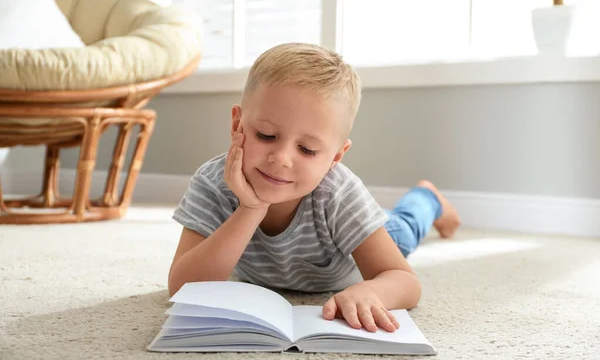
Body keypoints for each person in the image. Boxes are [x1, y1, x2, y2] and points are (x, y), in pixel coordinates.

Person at [167, 43, 461, 334]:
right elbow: (183, 288)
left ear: (335, 157)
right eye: (266, 135)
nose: (281, 159)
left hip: (356, 237)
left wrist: (371, 293)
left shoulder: (339, 193)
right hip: (330, 230)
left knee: (404, 227)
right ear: (237, 124)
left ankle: (427, 197)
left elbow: (405, 281)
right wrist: (250, 209)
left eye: (307, 150)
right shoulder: (213, 182)